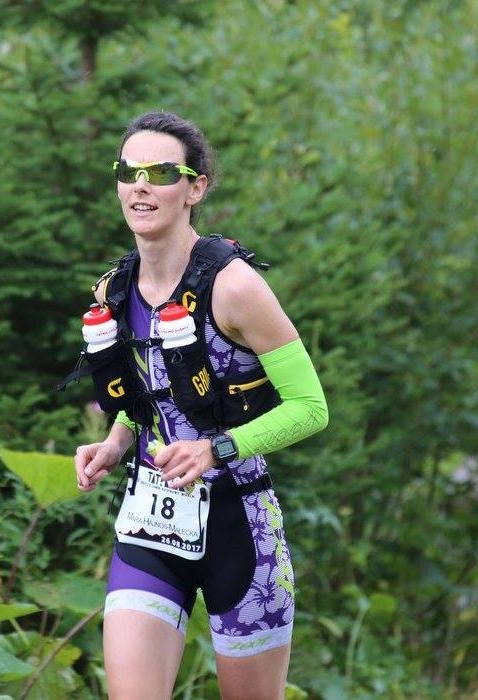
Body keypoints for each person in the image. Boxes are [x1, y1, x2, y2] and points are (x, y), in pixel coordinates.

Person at [72, 111, 328, 700]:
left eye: (161, 173)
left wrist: (217, 449)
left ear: (195, 188)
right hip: (150, 527)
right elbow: (152, 392)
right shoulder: (114, 290)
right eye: (129, 171)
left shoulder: (235, 286)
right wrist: (116, 441)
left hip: (240, 528)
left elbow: (311, 407)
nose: (141, 186)